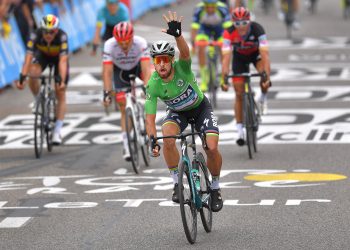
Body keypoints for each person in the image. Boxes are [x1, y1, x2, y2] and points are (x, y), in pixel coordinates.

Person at [146, 11, 223, 212]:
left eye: (165, 59)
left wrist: (178, 36)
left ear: (171, 60)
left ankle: (215, 188)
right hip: (177, 113)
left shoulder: (183, 68)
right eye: (157, 60)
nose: (161, 64)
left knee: (212, 148)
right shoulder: (153, 84)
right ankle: (177, 183)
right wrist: (152, 140)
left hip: (200, 109)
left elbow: (186, 53)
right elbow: (150, 116)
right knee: (167, 138)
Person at [221, 7, 271, 146]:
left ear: (249, 21)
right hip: (239, 59)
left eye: (244, 23)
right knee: (238, 93)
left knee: (264, 75)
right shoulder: (228, 32)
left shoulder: (258, 29)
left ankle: (263, 98)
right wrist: (224, 79)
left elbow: (265, 55)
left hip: (256, 56)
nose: (241, 27)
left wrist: (267, 76)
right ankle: (239, 131)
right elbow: (226, 57)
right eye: (238, 23)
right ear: (233, 23)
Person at [102, 21, 151, 161]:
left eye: (126, 42)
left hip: (137, 68)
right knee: (123, 105)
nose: (123, 45)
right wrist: (106, 93)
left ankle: (144, 118)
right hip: (120, 71)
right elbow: (107, 72)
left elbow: (146, 69)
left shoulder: (140, 42)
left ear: (132, 38)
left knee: (151, 80)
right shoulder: (109, 45)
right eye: (120, 42)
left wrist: (147, 88)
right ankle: (126, 143)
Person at [17, 14, 69, 145]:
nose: (48, 35)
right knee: (33, 72)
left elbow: (63, 61)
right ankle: (37, 99)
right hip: (43, 56)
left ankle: (57, 130)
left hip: (58, 60)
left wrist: (61, 80)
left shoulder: (62, 37)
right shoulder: (35, 35)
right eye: (45, 31)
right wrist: (22, 77)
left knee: (60, 91)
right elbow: (28, 57)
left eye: (51, 32)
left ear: (56, 30)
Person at [191, 0, 231, 92]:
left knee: (223, 48)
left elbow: (229, 30)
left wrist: (227, 44)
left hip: (219, 29)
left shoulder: (223, 8)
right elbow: (194, 28)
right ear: (204, 5)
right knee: (200, 46)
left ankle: (223, 77)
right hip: (205, 29)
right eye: (207, 7)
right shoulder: (199, 9)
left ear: (216, 5)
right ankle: (204, 80)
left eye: (212, 6)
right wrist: (193, 44)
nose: (210, 9)